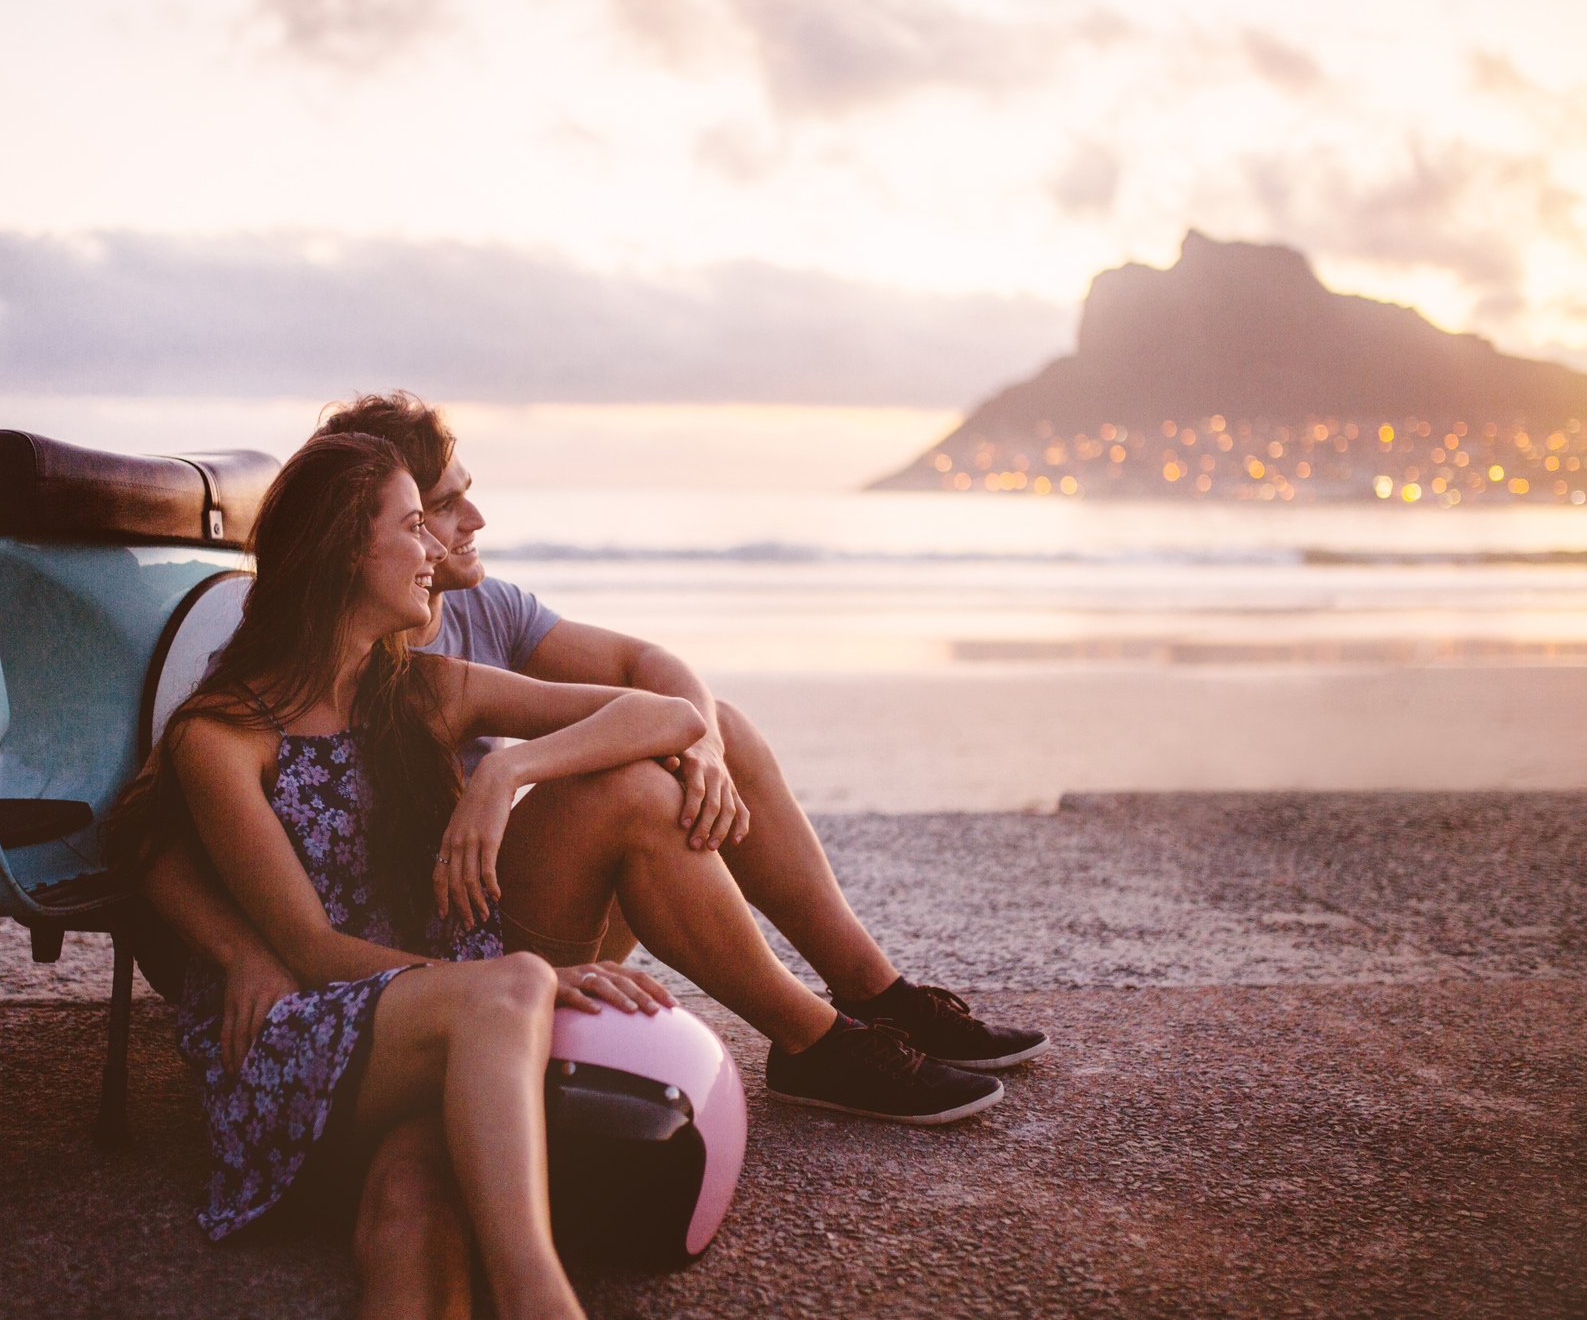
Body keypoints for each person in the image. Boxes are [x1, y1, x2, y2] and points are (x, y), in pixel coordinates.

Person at [125, 432, 1000, 1320]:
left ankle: (812, 1043)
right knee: (505, 999)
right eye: (414, 527)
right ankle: (539, 1293)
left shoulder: (422, 690)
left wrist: (507, 775)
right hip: (314, 1031)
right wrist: (532, 984)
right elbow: (308, 949)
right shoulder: (225, 735)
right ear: (346, 550)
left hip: (442, 1015)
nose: (436, 550)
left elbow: (662, 715)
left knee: (414, 1197)